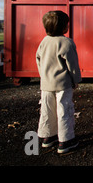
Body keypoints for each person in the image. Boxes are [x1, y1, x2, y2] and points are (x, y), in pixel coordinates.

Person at [36, 10, 82, 154]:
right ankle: (66, 141)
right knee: (64, 110)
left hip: (46, 84)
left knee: (47, 110)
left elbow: (38, 59)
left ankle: (47, 137)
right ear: (64, 28)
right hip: (63, 84)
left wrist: (43, 76)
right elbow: (72, 65)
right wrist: (76, 80)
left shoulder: (44, 42)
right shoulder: (66, 43)